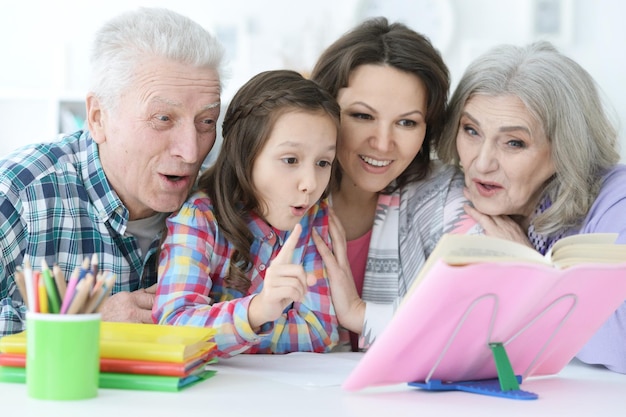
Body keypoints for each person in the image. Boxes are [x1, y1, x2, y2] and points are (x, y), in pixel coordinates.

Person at [0, 7, 225, 336]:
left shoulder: (221, 201)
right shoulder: (20, 192)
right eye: (163, 119)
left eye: (206, 122)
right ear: (98, 118)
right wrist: (83, 321)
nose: (191, 151)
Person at [437, 41, 626, 373]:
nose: (481, 163)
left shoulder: (617, 203)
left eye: (514, 143)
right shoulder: (451, 197)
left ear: (565, 148)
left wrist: (533, 276)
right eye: (471, 131)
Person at [310, 17, 479, 351]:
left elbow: (477, 325)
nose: (383, 143)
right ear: (324, 108)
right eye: (362, 116)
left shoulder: (444, 197)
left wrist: (359, 314)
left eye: (406, 122)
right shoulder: (280, 191)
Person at [152, 70, 340, 357]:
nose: (311, 184)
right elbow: (174, 329)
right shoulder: (199, 218)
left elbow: (320, 332)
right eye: (290, 160)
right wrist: (258, 311)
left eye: (323, 162)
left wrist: (223, 336)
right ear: (245, 154)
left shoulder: (314, 217)